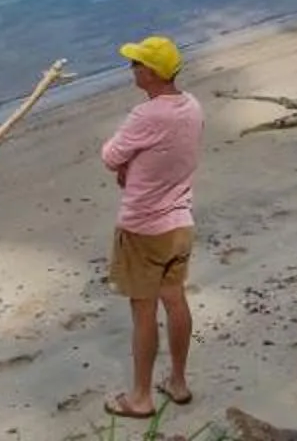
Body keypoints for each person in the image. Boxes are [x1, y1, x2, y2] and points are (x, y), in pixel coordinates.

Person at [99, 33, 203, 419]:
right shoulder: (191, 106)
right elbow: (166, 153)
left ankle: (140, 397)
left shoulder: (147, 115)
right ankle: (178, 381)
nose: (132, 69)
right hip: (180, 222)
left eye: (137, 64)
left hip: (144, 227)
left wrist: (127, 166)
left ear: (153, 73)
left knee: (143, 312)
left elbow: (110, 155)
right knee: (174, 298)